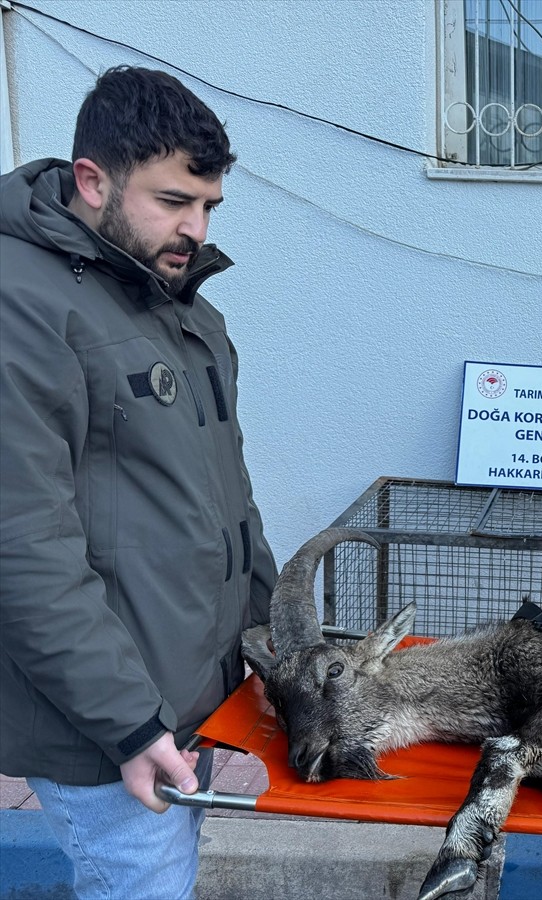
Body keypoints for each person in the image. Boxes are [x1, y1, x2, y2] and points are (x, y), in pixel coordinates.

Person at [0, 66, 276, 899]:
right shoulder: (22, 303)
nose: (194, 228)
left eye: (208, 207)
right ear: (92, 180)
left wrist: (262, 652)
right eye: (171, 201)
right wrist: (126, 721)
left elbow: (227, 499)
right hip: (104, 721)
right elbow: (22, 545)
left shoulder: (171, 299)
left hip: (180, 700)